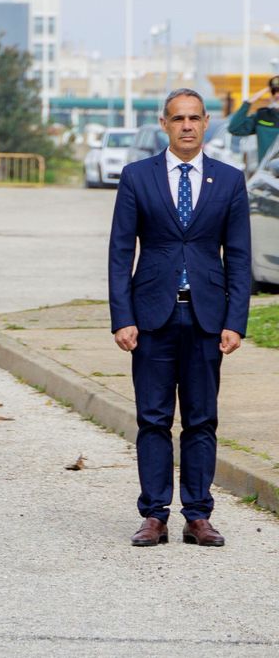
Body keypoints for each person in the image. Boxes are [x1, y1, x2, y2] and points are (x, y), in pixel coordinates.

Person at [108, 88, 251, 547]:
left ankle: (198, 515)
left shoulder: (229, 180)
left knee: (201, 419)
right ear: (165, 123)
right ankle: (154, 514)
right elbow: (119, 252)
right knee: (152, 418)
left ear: (206, 122)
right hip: (151, 316)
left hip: (208, 317)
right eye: (177, 118)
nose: (186, 126)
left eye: (194, 118)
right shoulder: (137, 177)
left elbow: (241, 258)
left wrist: (235, 320)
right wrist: (121, 316)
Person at [227, 76, 279, 170]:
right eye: (274, 91)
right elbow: (235, 128)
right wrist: (248, 102)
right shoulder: (262, 116)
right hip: (267, 175)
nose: (277, 95)